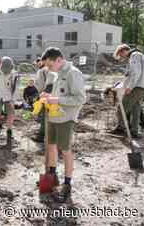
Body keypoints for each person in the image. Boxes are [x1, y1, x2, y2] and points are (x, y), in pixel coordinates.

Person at [40, 47, 86, 203]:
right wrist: (47, 96)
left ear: (58, 60)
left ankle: (67, 184)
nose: (48, 68)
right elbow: (54, 93)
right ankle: (52, 175)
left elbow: (80, 99)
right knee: (51, 145)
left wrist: (58, 100)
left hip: (66, 118)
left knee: (65, 150)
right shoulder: (55, 73)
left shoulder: (73, 73)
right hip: (53, 116)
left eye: (50, 65)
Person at [111, 44, 144, 138]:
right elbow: (130, 74)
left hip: (136, 87)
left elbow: (136, 73)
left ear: (123, 51)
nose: (122, 57)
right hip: (140, 87)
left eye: (121, 55)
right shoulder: (138, 55)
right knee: (136, 109)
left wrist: (130, 87)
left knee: (122, 108)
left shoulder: (135, 55)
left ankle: (121, 128)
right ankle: (135, 131)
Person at [0, 56, 19, 145]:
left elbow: (15, 89)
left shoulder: (15, 74)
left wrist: (13, 100)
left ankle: (9, 130)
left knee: (10, 114)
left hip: (9, 97)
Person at [32, 58, 58, 144]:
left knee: (45, 115)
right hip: (49, 94)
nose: (36, 65)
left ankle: (42, 136)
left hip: (47, 94)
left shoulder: (44, 70)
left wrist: (42, 95)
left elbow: (47, 84)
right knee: (48, 115)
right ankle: (47, 134)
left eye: (37, 62)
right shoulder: (45, 70)